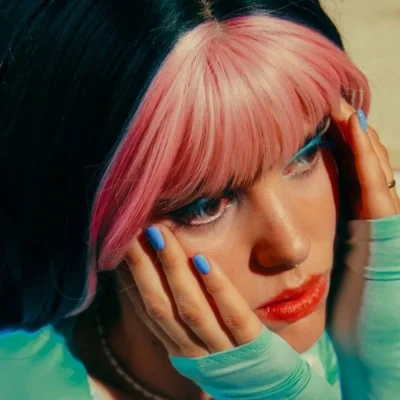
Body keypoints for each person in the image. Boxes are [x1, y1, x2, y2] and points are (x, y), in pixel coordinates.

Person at [0, 0, 399, 399]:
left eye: (306, 154)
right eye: (205, 205)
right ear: (90, 216)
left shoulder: (374, 300)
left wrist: (386, 361)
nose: (292, 247)